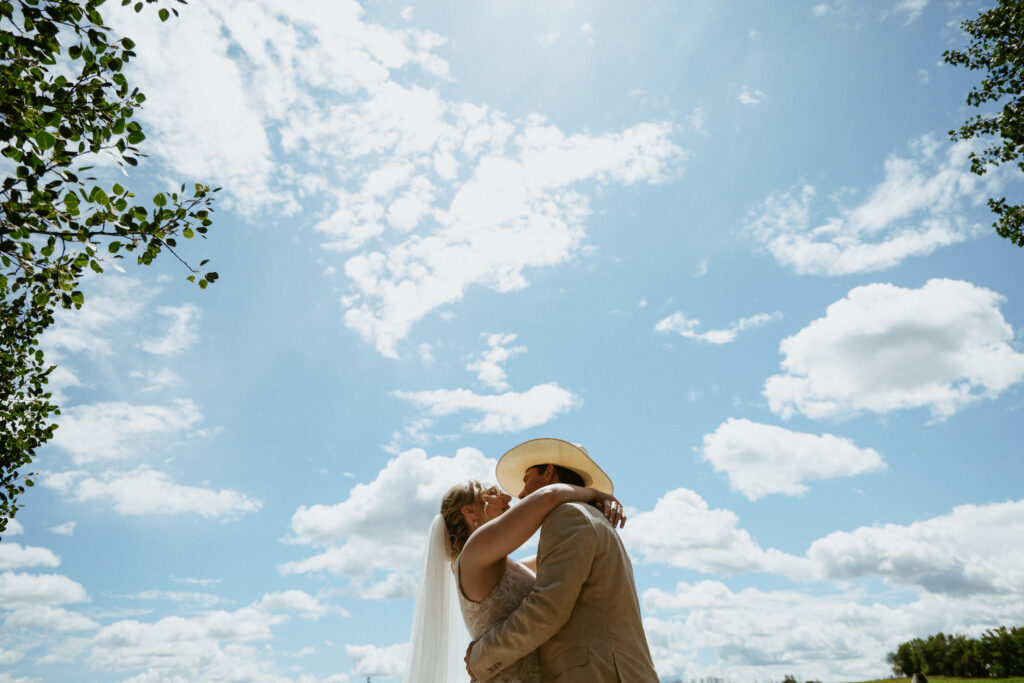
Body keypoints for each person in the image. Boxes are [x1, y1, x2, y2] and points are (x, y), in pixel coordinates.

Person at [402, 461, 625, 682]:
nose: (509, 498)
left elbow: (557, 557)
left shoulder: (497, 562)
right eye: (494, 493)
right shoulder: (474, 551)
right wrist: (597, 494)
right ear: (469, 511)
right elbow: (548, 496)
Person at [466, 437, 659, 682]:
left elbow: (547, 610)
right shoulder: (592, 518)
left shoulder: (569, 516)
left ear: (548, 473)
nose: (522, 494)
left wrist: (482, 656)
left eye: (526, 480)